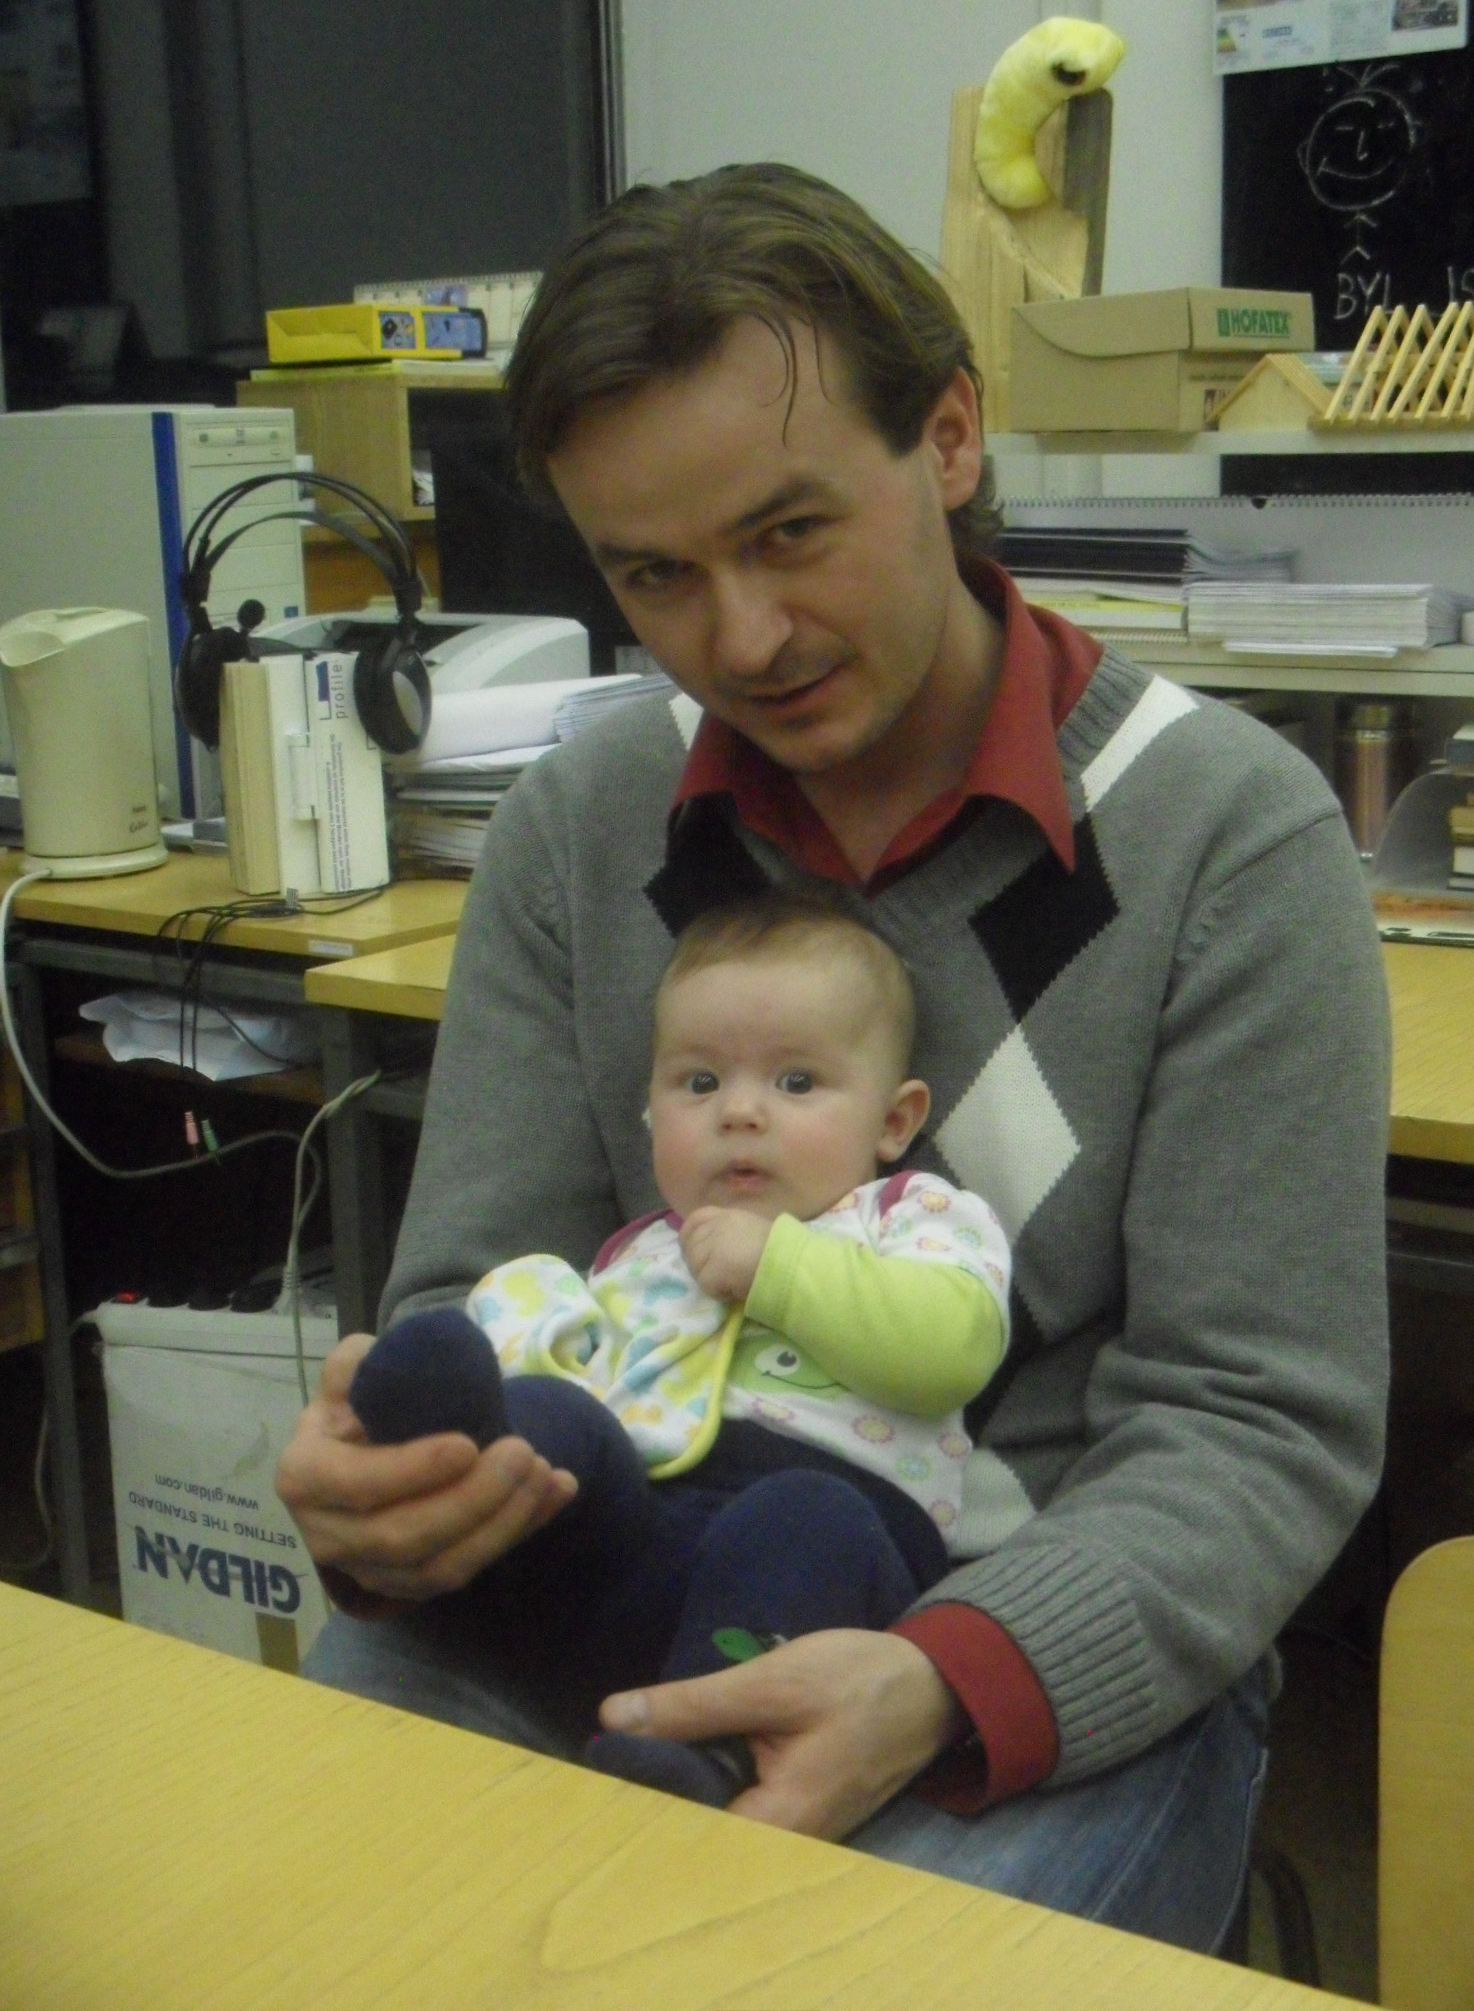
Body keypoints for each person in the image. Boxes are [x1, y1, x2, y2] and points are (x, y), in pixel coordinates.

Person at [278, 161, 1390, 1951]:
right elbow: (477, 1291)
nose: (741, 639)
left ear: (948, 437)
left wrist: (947, 1674)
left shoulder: (1225, 839)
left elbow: (1259, 1422)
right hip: (598, 1570)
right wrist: (394, 1488)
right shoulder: (583, 825)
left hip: (1028, 1636)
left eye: (791, 532)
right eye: (655, 574)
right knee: (293, 1912)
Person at [347, 890, 1016, 1807]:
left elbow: (950, 1350)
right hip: (635, 1535)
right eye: (699, 1084)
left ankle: (705, 1752)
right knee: (557, 1414)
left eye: (796, 1083)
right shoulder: (642, 1249)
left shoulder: (911, 1217)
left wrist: (776, 1267)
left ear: (893, 1122)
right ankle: (445, 1437)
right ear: (650, 1112)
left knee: (803, 1520)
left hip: (827, 1535)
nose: (739, 1112)